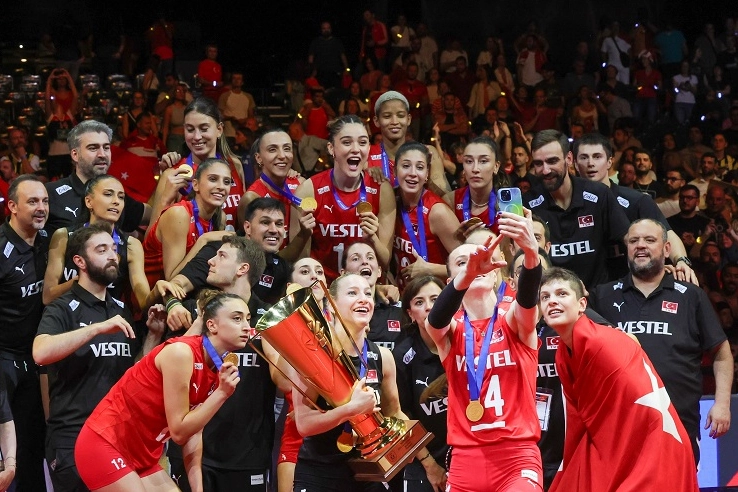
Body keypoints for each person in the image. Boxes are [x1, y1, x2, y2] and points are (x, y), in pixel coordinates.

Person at [538, 267, 699, 491]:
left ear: (582, 305)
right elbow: (579, 422)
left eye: (562, 294)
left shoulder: (604, 344)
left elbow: (640, 412)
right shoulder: (563, 354)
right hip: (621, 442)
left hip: (653, 446)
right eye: (545, 297)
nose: (552, 301)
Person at [33, 224, 166, 490]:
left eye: (114, 250)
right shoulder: (62, 308)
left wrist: (153, 336)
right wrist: (96, 329)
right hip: (73, 434)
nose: (112, 256)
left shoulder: (120, 309)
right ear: (80, 262)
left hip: (116, 434)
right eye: (102, 250)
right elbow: (40, 352)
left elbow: (133, 374)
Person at [589, 219, 733, 464]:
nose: (640, 245)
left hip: (678, 424)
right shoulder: (601, 296)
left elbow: (721, 353)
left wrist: (722, 404)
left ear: (667, 249)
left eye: (649, 240)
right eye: (634, 241)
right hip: (616, 427)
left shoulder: (691, 296)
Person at [74, 291, 246, 490]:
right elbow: (179, 432)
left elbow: (193, 432)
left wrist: (198, 489)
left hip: (142, 455)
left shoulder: (218, 368)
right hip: (105, 443)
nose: (246, 327)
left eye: (247, 319)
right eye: (237, 318)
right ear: (211, 325)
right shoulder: (181, 353)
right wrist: (222, 394)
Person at [425, 210, 543, 491]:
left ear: (496, 271)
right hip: (465, 461)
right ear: (450, 283)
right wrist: (467, 275)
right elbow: (435, 321)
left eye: (480, 260)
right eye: (462, 263)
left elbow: (528, 302)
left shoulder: (512, 319)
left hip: (516, 455)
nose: (475, 265)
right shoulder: (451, 330)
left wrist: (531, 255)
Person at [291, 273, 405, 492]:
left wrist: (425, 457)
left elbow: (395, 413)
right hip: (320, 474)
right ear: (331, 304)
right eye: (352, 293)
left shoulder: (383, 357)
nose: (363, 299)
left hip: (368, 473)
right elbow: (304, 424)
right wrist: (351, 409)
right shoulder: (313, 355)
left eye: (368, 294)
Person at [572, 133, 696, 283]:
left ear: (610, 162)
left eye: (597, 157)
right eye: (584, 157)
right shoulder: (566, 204)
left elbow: (667, 233)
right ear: (575, 163)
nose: (590, 163)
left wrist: (681, 261)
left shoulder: (636, 200)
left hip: (628, 279)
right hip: (584, 280)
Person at [291, 115, 396, 282]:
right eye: (347, 142)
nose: (356, 149)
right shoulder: (308, 190)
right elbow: (298, 263)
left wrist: (373, 239)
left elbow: (385, 262)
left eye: (362, 142)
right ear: (331, 148)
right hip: (323, 289)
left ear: (369, 148)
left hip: (365, 289)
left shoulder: (382, 189)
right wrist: (303, 236)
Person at [524, 129, 630, 290]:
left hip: (598, 296)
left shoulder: (599, 194)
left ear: (569, 158)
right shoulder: (528, 204)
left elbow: (628, 239)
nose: (545, 170)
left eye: (552, 161)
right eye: (538, 163)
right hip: (550, 297)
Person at [0, 175, 49, 490]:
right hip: (3, 359)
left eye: (45, 201)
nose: (41, 207)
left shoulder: (49, 241)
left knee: (33, 445)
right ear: (12, 206)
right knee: (8, 451)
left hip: (35, 358)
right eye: (32, 201)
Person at [276, 257, 328, 492]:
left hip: (338, 433)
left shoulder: (342, 323)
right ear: (291, 286)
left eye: (319, 271)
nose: (315, 276)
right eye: (305, 271)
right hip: (298, 434)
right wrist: (295, 318)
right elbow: (284, 382)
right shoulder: (277, 325)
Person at [45, 120, 150, 235]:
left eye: (106, 148)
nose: (102, 154)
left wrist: (164, 176)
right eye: (93, 148)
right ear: (75, 154)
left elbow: (154, 215)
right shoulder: (50, 194)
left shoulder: (117, 196)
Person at [393, 276, 448, 492]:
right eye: (419, 302)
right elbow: (401, 415)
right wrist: (429, 464)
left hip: (467, 455)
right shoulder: (402, 356)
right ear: (410, 314)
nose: (429, 307)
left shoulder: (467, 342)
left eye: (435, 299)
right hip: (424, 459)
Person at [159, 97, 247, 231]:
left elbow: (244, 222)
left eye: (204, 129)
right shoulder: (174, 173)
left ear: (219, 130)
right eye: (190, 129)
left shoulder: (235, 165)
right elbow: (153, 235)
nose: (197, 137)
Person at [143, 158, 230, 287]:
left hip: (189, 291)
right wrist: (204, 240)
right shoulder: (179, 214)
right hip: (155, 293)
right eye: (213, 179)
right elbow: (172, 279)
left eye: (226, 182)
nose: (221, 187)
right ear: (195, 185)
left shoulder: (219, 218)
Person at [393, 141, 461, 290]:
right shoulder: (392, 203)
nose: (412, 173)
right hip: (405, 298)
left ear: (427, 174)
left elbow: (467, 265)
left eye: (420, 167)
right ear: (394, 170)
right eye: (406, 166)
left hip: (437, 298)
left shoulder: (438, 212)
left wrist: (430, 269)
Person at [368, 91, 450, 194]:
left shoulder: (427, 152)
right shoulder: (365, 154)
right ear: (376, 121)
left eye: (401, 115)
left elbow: (446, 199)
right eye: (387, 116)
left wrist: (427, 181)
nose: (395, 122)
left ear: (409, 119)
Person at [239, 129, 305, 252]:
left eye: (287, 149)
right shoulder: (252, 198)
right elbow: (252, 251)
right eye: (272, 149)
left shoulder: (301, 184)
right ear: (259, 158)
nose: (282, 156)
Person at [444, 136, 509, 238]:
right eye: (469, 161)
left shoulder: (508, 203)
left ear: (496, 166)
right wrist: (460, 240)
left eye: (483, 161)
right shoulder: (451, 200)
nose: (475, 169)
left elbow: (511, 247)